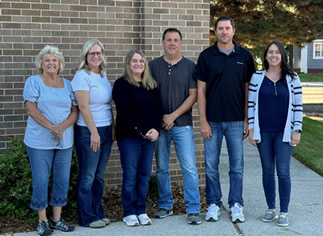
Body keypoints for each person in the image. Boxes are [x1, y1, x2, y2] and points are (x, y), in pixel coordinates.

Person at [194, 16, 255, 223]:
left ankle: (236, 204)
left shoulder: (245, 56)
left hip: (237, 121)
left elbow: (248, 91)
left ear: (233, 31)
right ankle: (213, 203)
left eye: (227, 28)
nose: (224, 32)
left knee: (237, 165)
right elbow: (200, 91)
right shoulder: (206, 56)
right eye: (220, 28)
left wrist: (248, 120)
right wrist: (203, 121)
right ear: (216, 32)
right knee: (211, 165)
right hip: (212, 122)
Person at [149, 28, 201, 225]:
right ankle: (165, 205)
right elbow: (148, 93)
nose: (172, 43)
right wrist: (160, 117)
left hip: (182, 125)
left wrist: (172, 116)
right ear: (162, 42)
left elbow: (193, 95)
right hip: (159, 126)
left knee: (189, 168)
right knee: (161, 168)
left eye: (175, 40)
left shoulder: (190, 66)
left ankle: (193, 209)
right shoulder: (152, 66)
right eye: (168, 40)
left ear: (180, 43)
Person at [248, 40, 303, 227]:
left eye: (277, 52)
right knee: (267, 171)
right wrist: (252, 130)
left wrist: (297, 129)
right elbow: (251, 105)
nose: (273, 55)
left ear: (282, 56)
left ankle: (284, 211)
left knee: (283, 171)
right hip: (263, 133)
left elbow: (297, 106)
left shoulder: (293, 78)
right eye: (270, 52)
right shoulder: (257, 77)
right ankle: (271, 208)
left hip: (284, 133)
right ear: (265, 56)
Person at [23, 45, 77, 236]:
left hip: (64, 140)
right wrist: (51, 127)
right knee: (41, 179)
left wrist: (62, 127)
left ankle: (57, 219)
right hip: (39, 141)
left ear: (60, 63)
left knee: (62, 179)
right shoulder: (33, 82)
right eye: (47, 60)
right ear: (41, 63)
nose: (51, 63)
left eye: (54, 60)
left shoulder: (68, 84)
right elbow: (31, 109)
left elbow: (75, 111)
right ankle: (42, 220)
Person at [113, 50, 162, 227]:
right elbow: (124, 111)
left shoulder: (152, 85)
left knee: (144, 175)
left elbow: (159, 110)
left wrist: (156, 129)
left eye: (141, 61)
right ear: (128, 64)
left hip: (149, 138)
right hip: (129, 138)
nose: (138, 64)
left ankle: (141, 209)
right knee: (130, 175)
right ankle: (129, 212)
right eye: (134, 61)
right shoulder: (121, 84)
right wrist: (142, 131)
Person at [71, 39, 113, 228]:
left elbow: (107, 104)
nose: (96, 56)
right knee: (88, 175)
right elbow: (83, 106)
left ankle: (97, 212)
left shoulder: (102, 75)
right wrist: (94, 132)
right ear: (85, 57)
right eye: (91, 54)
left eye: (98, 53)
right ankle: (86, 217)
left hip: (105, 129)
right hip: (89, 131)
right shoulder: (82, 76)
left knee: (99, 175)